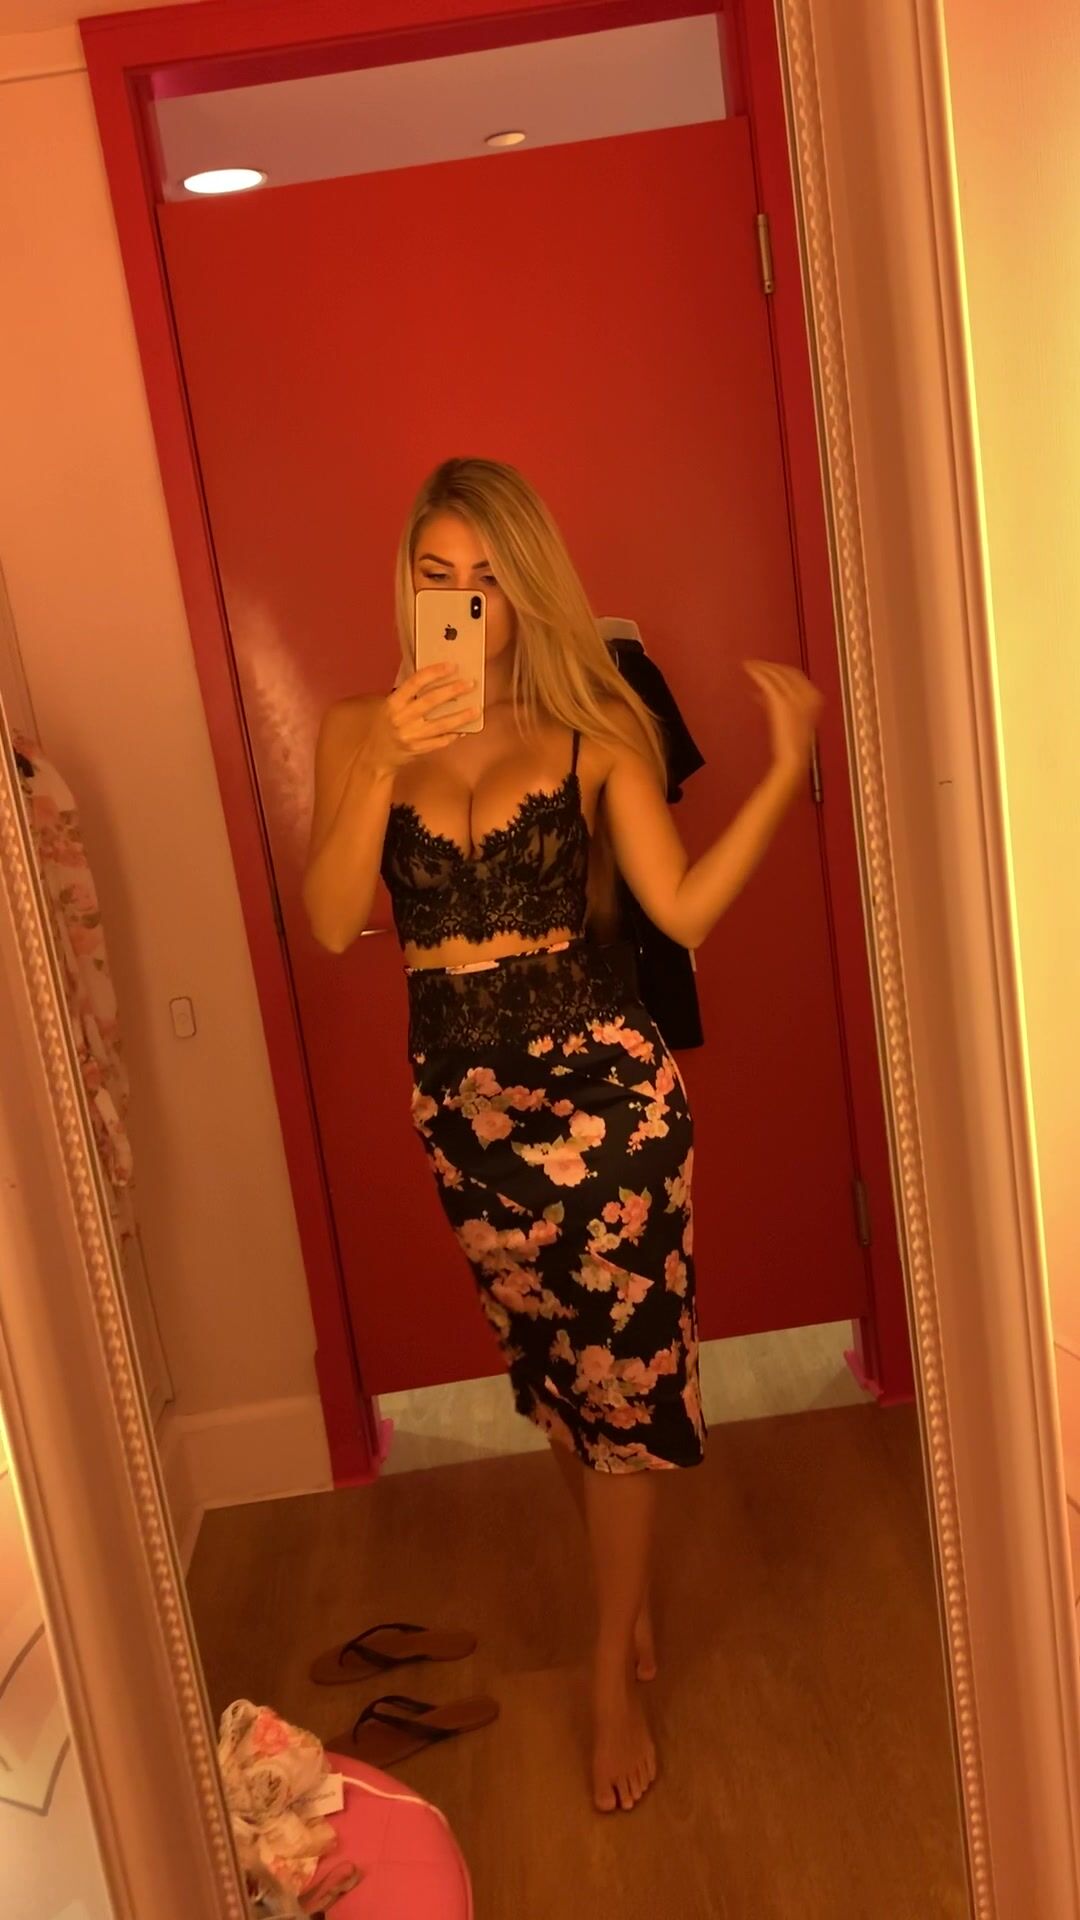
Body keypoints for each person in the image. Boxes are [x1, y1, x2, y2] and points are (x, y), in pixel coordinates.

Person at [302, 457, 823, 1815]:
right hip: (462, 1116)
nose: (464, 603)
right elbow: (333, 917)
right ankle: (621, 1599)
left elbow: (681, 911)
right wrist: (383, 761)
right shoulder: (358, 728)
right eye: (438, 577)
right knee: (551, 1370)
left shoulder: (594, 729)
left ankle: (608, 1670)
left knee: (624, 1386)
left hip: (610, 1105)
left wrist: (786, 773)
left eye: (489, 579)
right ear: (408, 585)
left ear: (528, 591)